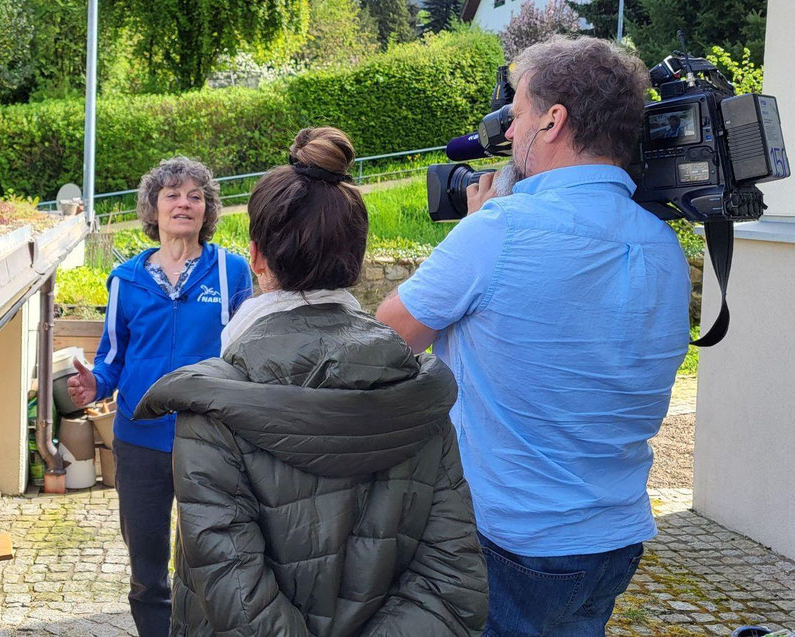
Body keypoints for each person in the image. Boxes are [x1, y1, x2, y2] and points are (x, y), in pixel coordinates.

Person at [377, 36, 691, 636]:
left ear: (552, 120)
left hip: (512, 541)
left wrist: (472, 230)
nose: (507, 132)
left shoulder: (499, 231)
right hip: (614, 536)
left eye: (516, 113)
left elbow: (385, 342)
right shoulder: (663, 246)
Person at [135, 127, 489, 636]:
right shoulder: (421, 392)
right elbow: (451, 583)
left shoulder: (213, 405)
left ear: (256, 258)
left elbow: (233, 594)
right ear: (358, 262)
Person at [66, 157, 252, 637]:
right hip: (140, 440)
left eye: (195, 195)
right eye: (172, 195)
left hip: (210, 439)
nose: (184, 204)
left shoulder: (232, 273)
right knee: (147, 565)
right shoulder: (125, 279)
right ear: (154, 207)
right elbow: (112, 358)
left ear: (208, 209)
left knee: (214, 556)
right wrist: (96, 384)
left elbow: (249, 351)